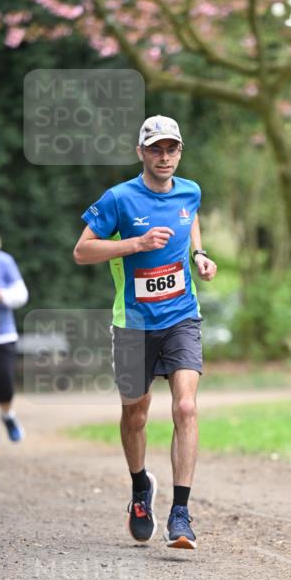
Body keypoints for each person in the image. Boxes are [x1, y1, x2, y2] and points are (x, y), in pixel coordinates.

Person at [73, 115, 217, 550]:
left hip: (181, 318)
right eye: (155, 148)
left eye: (171, 148)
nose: (164, 156)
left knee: (186, 407)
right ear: (141, 153)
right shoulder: (118, 199)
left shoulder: (190, 190)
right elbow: (82, 251)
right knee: (135, 414)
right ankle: (140, 489)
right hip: (133, 324)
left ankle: (181, 513)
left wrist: (199, 254)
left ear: (179, 152)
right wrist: (135, 244)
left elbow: (189, 216)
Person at [0, 231, 29, 444]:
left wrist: (2, 295)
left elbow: (21, 294)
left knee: (4, 383)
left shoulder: (3, 261)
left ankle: (7, 416)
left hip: (2, 335)